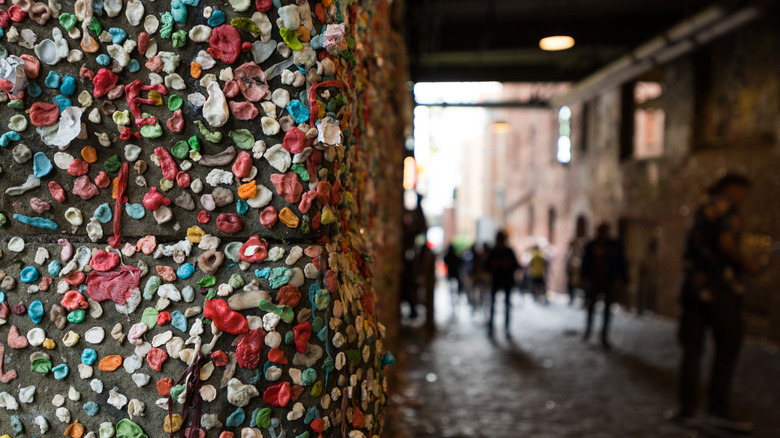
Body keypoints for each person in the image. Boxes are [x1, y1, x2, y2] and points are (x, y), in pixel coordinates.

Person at [673, 173, 760, 432]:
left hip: (693, 289)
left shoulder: (702, 209)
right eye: (743, 193)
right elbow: (726, 243)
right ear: (731, 189)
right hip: (720, 290)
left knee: (691, 351)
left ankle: (686, 410)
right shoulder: (727, 210)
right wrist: (749, 265)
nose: (744, 199)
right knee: (727, 348)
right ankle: (717, 409)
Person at [580, 222, 628, 349]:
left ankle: (604, 336)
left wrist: (624, 278)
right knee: (591, 307)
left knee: (607, 310)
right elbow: (585, 262)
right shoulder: (591, 245)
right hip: (594, 281)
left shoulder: (614, 246)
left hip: (608, 281)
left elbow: (621, 262)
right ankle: (588, 330)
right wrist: (584, 276)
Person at [486, 231, 519, 337]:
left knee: (507, 305)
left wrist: (508, 265)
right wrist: (493, 265)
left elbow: (516, 265)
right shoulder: (493, 252)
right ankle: (491, 327)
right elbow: (486, 266)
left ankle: (506, 328)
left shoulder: (509, 252)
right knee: (492, 305)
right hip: (496, 281)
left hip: (507, 281)